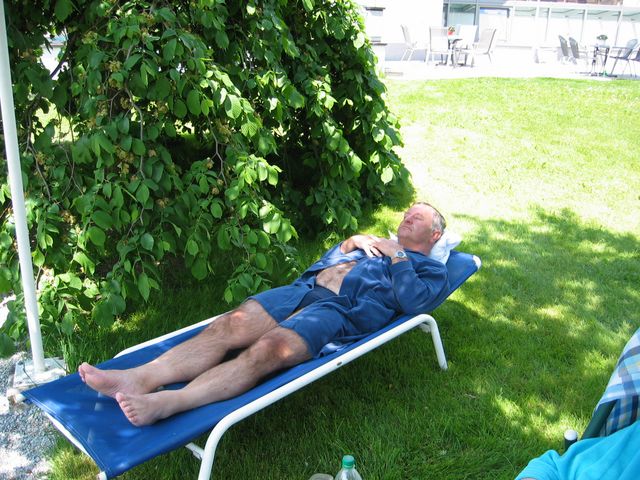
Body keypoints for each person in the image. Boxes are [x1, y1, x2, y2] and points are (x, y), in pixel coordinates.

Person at [78, 202, 450, 426]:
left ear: (434, 236)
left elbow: (415, 302)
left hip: (339, 311)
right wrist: (349, 243)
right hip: (301, 291)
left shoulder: (430, 269)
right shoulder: (372, 244)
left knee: (268, 350)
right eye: (406, 213)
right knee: (227, 325)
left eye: (417, 217)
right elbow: (319, 264)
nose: (407, 218)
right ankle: (138, 378)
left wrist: (396, 254)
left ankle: (169, 403)